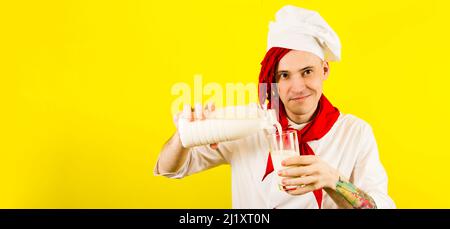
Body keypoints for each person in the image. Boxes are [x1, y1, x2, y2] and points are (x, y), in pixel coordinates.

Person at [154, 5, 395, 209]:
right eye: (284, 75)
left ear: (325, 69)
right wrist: (185, 135)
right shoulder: (247, 122)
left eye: (307, 72)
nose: (297, 86)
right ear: (273, 81)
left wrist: (334, 180)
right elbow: (169, 169)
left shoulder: (355, 132)